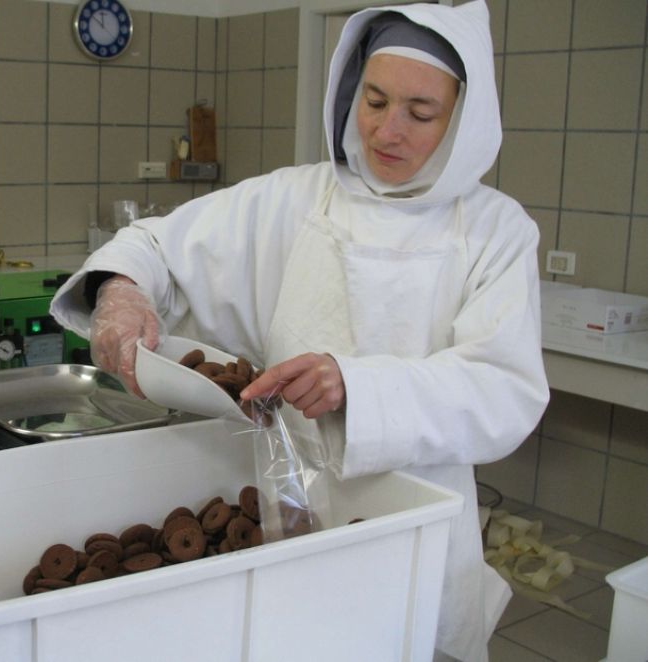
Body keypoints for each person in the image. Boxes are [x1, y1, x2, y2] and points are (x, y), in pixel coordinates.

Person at [50, 1, 549, 660]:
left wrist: (354, 385)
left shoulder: (494, 231)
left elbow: (505, 389)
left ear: (463, 122)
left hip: (415, 521)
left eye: (420, 114)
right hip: (280, 502)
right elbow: (157, 243)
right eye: (373, 101)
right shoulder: (294, 200)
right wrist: (120, 292)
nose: (387, 130)